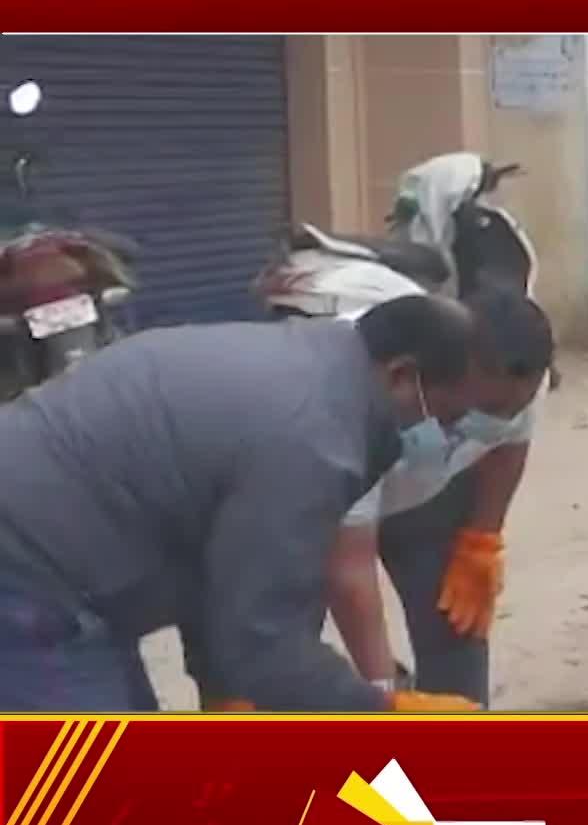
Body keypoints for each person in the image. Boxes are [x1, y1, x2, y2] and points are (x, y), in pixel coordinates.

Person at [0, 296, 511, 712]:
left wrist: (225, 684)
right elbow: (264, 641)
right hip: (29, 567)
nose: (447, 436)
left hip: (55, 552)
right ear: (402, 376)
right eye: (448, 416)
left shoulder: (319, 363)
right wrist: (382, 713)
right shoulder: (314, 440)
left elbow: (221, 565)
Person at [326, 286, 554, 708]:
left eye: (509, 409)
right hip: (321, 504)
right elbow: (349, 571)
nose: (494, 420)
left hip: (425, 496)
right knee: (283, 650)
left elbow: (509, 444)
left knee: (456, 625)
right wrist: (385, 700)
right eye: (483, 406)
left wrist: (482, 538)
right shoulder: (351, 397)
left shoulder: (518, 379)